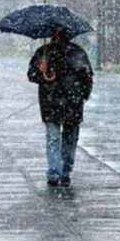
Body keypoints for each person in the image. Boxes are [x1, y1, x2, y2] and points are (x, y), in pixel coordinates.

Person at [28, 26, 93, 187]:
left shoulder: (77, 53)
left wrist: (81, 95)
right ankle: (54, 172)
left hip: (71, 103)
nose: (59, 35)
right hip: (52, 102)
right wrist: (39, 70)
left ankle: (65, 171)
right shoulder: (44, 53)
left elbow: (87, 76)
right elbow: (31, 75)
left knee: (69, 139)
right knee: (54, 138)